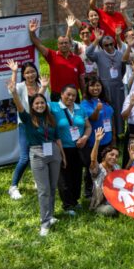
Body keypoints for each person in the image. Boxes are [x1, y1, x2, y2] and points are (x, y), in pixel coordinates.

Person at [7, 82, 65, 236]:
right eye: (37, 103)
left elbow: (57, 138)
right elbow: (20, 106)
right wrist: (14, 93)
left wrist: (62, 155)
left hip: (54, 153)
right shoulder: (27, 118)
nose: (40, 105)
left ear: (46, 104)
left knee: (52, 187)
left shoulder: (51, 118)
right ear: (32, 106)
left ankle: (50, 216)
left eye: (42, 103)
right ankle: (44, 223)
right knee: (43, 190)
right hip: (37, 154)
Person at [6, 60, 50, 200]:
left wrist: (43, 88)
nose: (30, 75)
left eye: (32, 71)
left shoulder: (42, 85)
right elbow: (12, 90)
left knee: (41, 154)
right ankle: (13, 187)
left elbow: (45, 104)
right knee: (25, 157)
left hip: (41, 125)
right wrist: (14, 72)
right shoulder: (20, 86)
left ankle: (38, 180)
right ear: (23, 75)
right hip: (25, 125)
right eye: (27, 73)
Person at [50, 84, 92, 215]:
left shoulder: (80, 108)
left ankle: (75, 200)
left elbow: (88, 126)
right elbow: (36, 104)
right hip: (62, 148)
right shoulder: (54, 107)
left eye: (73, 95)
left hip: (78, 148)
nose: (70, 97)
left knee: (76, 175)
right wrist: (43, 87)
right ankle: (67, 205)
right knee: (64, 177)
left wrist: (84, 138)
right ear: (62, 94)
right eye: (68, 94)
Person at [29, 18, 86, 101]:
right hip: (57, 95)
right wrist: (32, 32)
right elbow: (38, 44)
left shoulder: (77, 59)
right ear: (58, 45)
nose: (64, 45)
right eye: (61, 43)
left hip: (73, 95)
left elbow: (81, 79)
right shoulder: (51, 55)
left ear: (70, 44)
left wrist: (84, 94)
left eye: (66, 43)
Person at [80, 77, 115, 199]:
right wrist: (97, 109)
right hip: (93, 141)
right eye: (92, 86)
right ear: (87, 88)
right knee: (92, 165)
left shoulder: (106, 101)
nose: (95, 88)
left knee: (105, 165)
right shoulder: (85, 104)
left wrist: (114, 137)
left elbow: (111, 119)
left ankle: (105, 187)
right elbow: (93, 119)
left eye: (98, 85)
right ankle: (89, 191)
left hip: (107, 139)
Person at [86, 28, 126, 135]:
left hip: (118, 87)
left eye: (111, 44)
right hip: (104, 87)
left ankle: (119, 133)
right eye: (106, 45)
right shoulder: (99, 55)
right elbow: (88, 53)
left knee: (118, 109)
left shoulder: (120, 54)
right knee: (106, 110)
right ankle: (108, 133)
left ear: (114, 43)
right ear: (103, 46)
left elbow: (123, 69)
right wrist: (96, 40)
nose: (109, 47)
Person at [88, 127, 120, 216]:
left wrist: (131, 160)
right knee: (110, 210)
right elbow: (93, 159)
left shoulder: (116, 167)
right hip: (101, 203)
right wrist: (97, 141)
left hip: (115, 200)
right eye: (111, 154)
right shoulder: (98, 169)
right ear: (104, 156)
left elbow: (124, 178)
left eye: (116, 156)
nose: (114, 157)